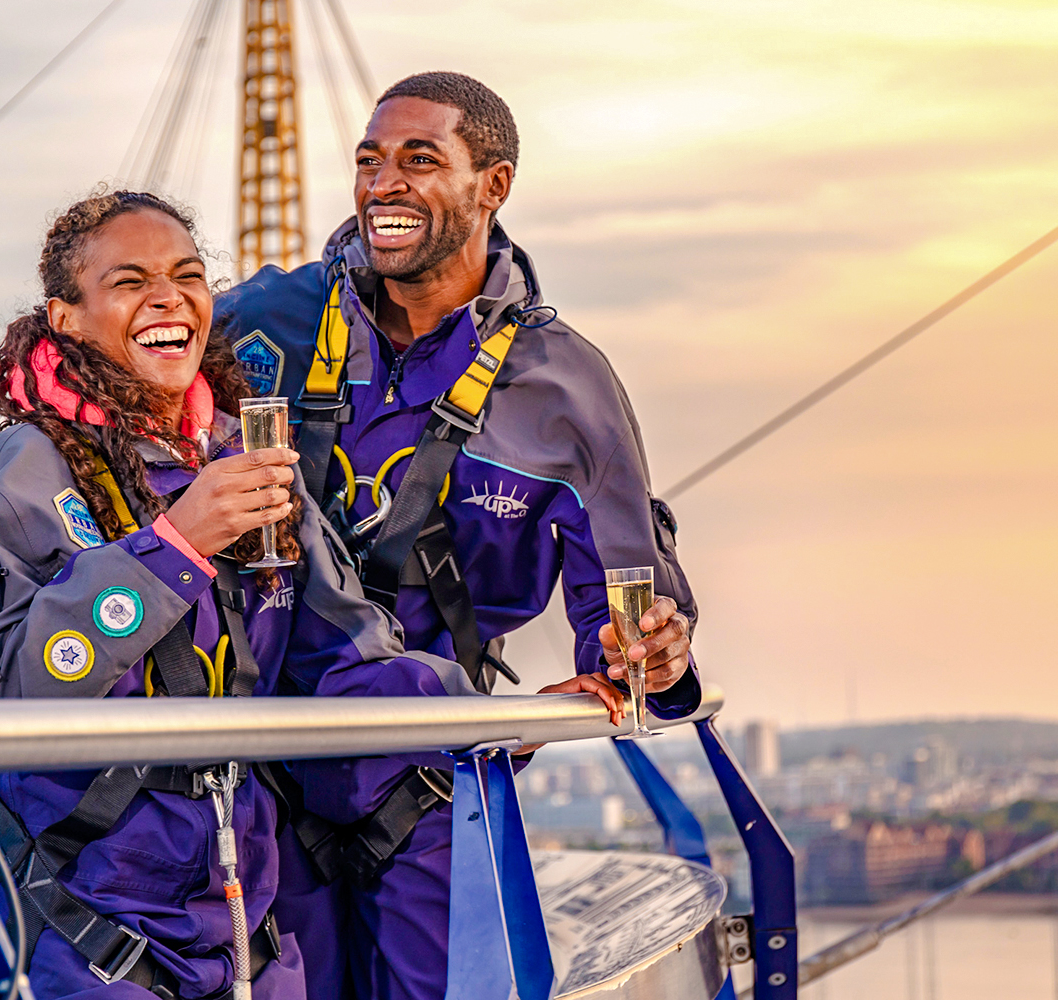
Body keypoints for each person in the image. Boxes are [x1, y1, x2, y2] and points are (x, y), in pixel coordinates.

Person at [0, 190, 623, 998]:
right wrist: (174, 546)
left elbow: (348, 659)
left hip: (240, 925)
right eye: (129, 282)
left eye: (187, 275)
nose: (167, 295)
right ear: (68, 318)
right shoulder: (26, 467)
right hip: (87, 925)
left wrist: (490, 720)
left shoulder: (241, 457)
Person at [215, 72, 701, 1000]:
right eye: (369, 161)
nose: (382, 184)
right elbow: (116, 357)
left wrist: (650, 656)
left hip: (436, 790)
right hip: (256, 782)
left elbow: (634, 603)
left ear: (495, 186)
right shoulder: (263, 323)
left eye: (419, 159)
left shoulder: (562, 388)